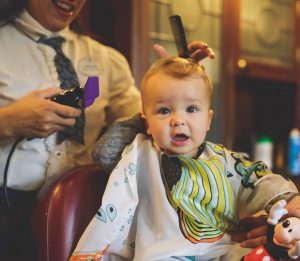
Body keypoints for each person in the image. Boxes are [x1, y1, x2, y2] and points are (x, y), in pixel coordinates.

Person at [0, 0, 216, 260]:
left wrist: (175, 89)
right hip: (8, 212)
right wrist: (7, 122)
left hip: (87, 211)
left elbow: (149, 124)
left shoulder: (107, 60)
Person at [70, 57, 300, 260]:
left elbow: (258, 179)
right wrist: (142, 122)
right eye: (163, 111)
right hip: (162, 254)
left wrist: (289, 200)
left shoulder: (224, 160)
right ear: (146, 122)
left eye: (191, 109)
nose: (178, 120)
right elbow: (104, 152)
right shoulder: (141, 155)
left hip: (220, 250)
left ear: (208, 120)